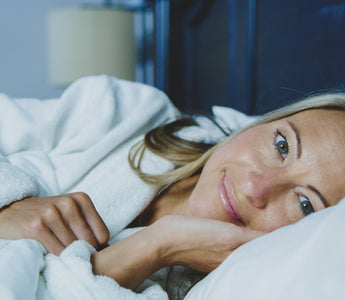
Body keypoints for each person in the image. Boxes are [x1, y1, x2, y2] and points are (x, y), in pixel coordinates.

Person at [0, 75, 345, 299]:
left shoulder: (225, 289)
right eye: (282, 146)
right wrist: (10, 202)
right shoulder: (130, 112)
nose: (256, 186)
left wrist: (158, 246)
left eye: (305, 205)